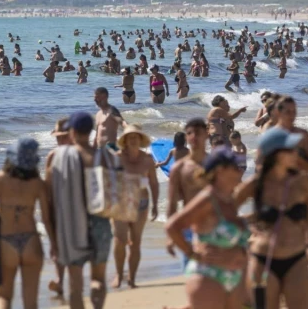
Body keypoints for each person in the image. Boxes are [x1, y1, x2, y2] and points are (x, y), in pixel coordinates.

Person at [234, 128, 308, 307]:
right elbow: (225, 213)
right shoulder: (256, 184)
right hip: (263, 260)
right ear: (275, 154)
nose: (296, 153)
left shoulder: (303, 183)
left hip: (297, 259)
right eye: (291, 149)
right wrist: (239, 242)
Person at [166, 147, 250, 309]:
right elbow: (172, 226)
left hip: (233, 278)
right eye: (234, 167)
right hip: (208, 276)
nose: (239, 170)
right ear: (220, 171)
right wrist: (192, 253)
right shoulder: (208, 198)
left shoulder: (229, 200)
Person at [46, 112, 112, 309]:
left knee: (75, 286)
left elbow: (49, 198)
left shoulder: (57, 157)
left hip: (72, 225)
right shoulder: (104, 157)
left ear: (72, 131)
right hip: (100, 223)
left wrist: (52, 234)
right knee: (98, 279)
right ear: (92, 131)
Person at [0, 138, 55, 309]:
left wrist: (1, 211)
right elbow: (46, 218)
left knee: (4, 297)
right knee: (30, 301)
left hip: (6, 241)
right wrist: (54, 244)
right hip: (30, 240)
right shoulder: (38, 184)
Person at [111, 125, 159, 289]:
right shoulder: (117, 157)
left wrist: (155, 205)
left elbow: (153, 182)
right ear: (124, 140)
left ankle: (132, 278)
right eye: (130, 137)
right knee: (120, 240)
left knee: (136, 243)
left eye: (136, 137)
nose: (133, 139)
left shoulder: (147, 159)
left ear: (140, 140)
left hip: (142, 204)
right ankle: (118, 275)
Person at [166, 118, 209, 267]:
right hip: (189, 225)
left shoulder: (215, 164)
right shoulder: (178, 169)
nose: (194, 137)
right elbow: (172, 205)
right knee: (192, 272)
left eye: (198, 133)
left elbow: (226, 198)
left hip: (214, 224)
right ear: (186, 138)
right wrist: (171, 236)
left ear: (207, 134)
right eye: (190, 133)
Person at [46, 118, 74, 298]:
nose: (59, 140)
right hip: (57, 206)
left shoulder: (79, 154)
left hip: (74, 208)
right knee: (56, 247)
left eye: (62, 137)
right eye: (57, 137)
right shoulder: (52, 156)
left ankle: (72, 281)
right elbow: (47, 184)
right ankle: (60, 280)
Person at [274, 96, 308, 171]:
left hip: (299, 179)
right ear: (278, 112)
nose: (292, 115)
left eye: (294, 111)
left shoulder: (303, 134)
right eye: (288, 112)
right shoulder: (271, 136)